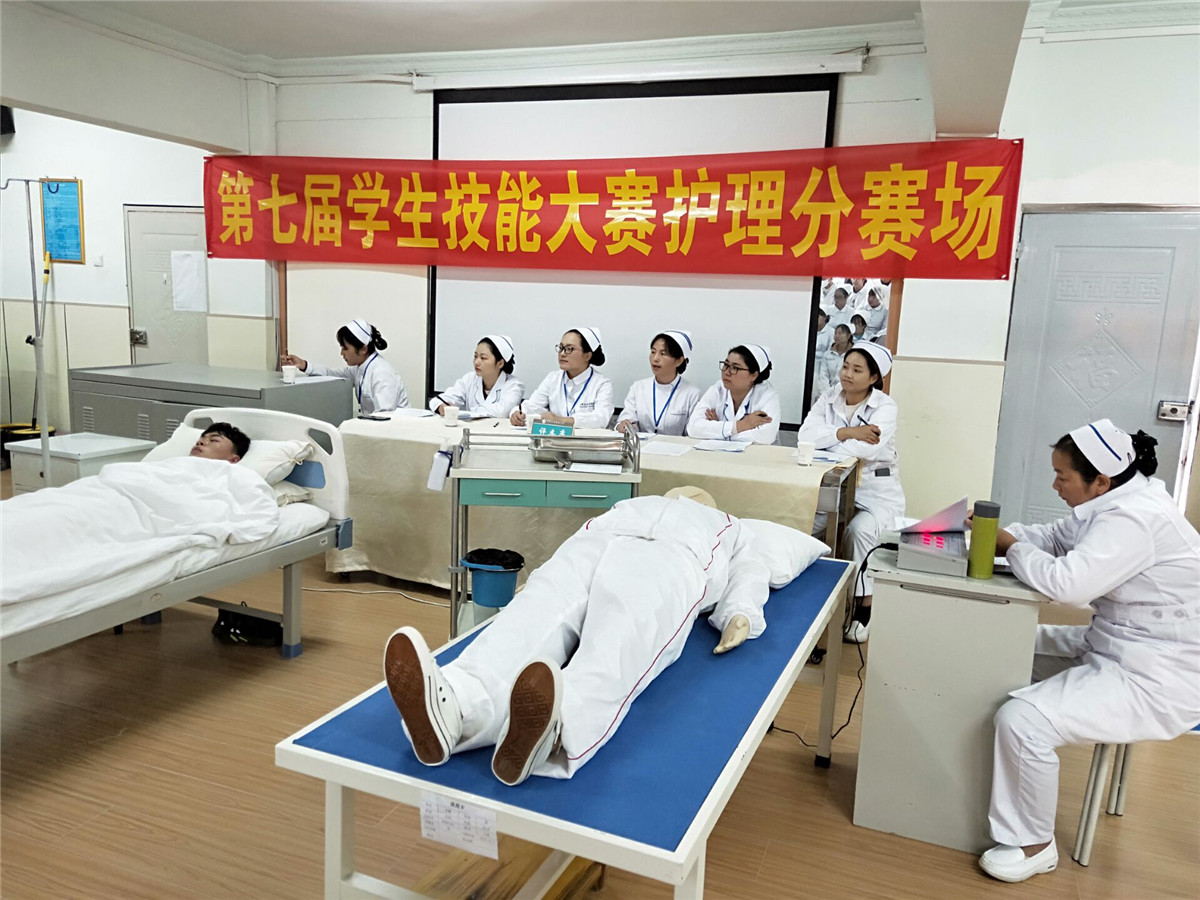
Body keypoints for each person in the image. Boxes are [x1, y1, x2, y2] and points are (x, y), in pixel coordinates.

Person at [382, 488, 818, 786]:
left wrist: (739, 615)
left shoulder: (731, 526)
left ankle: (557, 728)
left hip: (672, 560)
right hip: (594, 544)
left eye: (697, 493)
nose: (689, 494)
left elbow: (752, 571)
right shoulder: (630, 504)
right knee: (534, 613)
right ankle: (454, 707)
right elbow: (576, 542)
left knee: (620, 640)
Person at [979, 420, 1200, 884]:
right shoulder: (1112, 500)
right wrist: (992, 532)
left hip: (1156, 673)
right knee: (1000, 644)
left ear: (1100, 480)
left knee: (1022, 721)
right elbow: (1055, 538)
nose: (1054, 485)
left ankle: (1034, 845)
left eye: (1062, 477)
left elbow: (1068, 586)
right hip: (1114, 644)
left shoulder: (1135, 519)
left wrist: (1010, 546)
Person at [797, 342, 904, 642]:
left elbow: (868, 449)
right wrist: (849, 432)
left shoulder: (885, 407)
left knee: (859, 532)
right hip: (833, 485)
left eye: (857, 370)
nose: (847, 374)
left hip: (875, 490)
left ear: (873, 378)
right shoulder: (829, 397)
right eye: (845, 366)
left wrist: (830, 442)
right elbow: (805, 437)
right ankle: (804, 600)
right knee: (802, 524)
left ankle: (862, 608)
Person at [282, 319, 409, 415]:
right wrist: (304, 365)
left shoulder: (382, 373)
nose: (341, 353)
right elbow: (331, 374)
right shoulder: (359, 368)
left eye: (345, 348)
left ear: (363, 349)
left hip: (393, 433)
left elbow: (384, 416)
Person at [510, 327, 614, 429]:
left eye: (569, 349)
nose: (562, 354)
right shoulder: (553, 378)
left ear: (587, 355)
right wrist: (517, 413)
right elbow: (533, 406)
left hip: (586, 439)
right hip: (554, 438)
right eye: (561, 348)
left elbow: (601, 419)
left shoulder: (601, 383)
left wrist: (560, 420)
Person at [686, 344, 780, 444]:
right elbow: (693, 428)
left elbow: (766, 437)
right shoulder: (718, 389)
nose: (726, 372)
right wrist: (740, 425)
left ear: (754, 375)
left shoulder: (767, 396)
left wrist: (718, 429)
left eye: (735, 368)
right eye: (726, 365)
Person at [615, 330, 703, 436]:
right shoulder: (638, 388)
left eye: (663, 354)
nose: (655, 359)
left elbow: (693, 432)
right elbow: (627, 418)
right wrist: (625, 425)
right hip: (641, 445)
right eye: (653, 352)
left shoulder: (692, 394)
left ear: (679, 360)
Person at [429, 335, 524, 419]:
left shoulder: (514, 386)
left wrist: (463, 412)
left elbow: (501, 412)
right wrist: (441, 406)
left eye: (483, 358)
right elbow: (438, 400)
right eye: (475, 356)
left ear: (500, 363)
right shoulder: (469, 379)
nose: (476, 362)